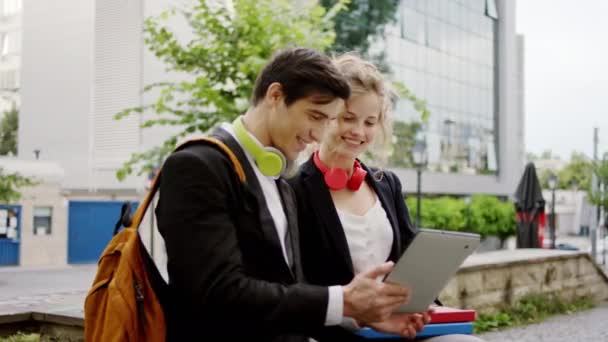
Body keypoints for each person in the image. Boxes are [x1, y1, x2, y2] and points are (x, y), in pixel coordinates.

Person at [155, 47, 419, 342]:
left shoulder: (277, 177)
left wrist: (360, 315)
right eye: (316, 116)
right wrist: (344, 301)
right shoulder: (197, 165)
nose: (319, 134)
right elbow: (217, 292)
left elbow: (288, 292)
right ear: (276, 96)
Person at [289, 53, 485, 342]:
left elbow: (408, 255)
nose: (358, 131)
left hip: (400, 327)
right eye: (348, 118)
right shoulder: (294, 189)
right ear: (326, 116)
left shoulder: (387, 184)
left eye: (370, 122)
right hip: (335, 332)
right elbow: (295, 283)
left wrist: (424, 308)